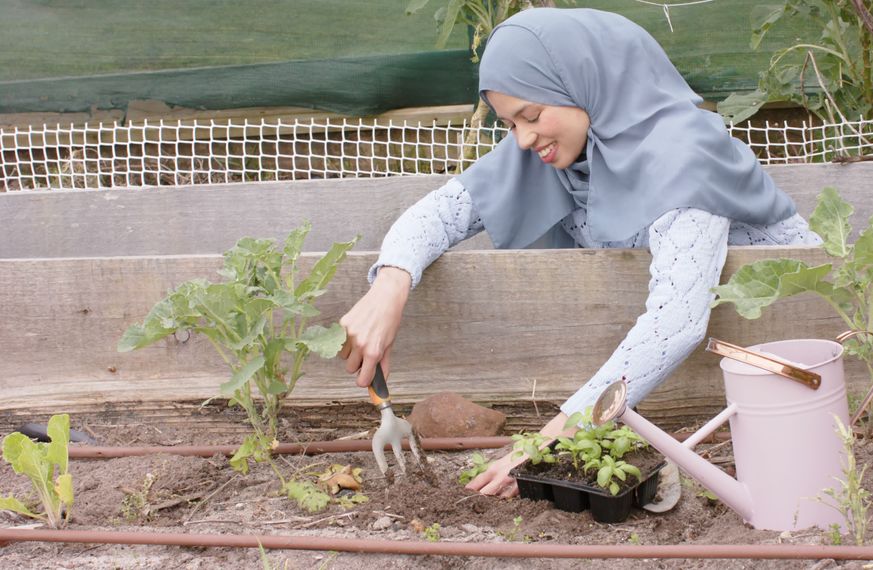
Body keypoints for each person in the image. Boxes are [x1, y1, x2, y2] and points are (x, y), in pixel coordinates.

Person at [337, 8, 820, 497]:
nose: (524, 138)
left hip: (793, 366)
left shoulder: (687, 155)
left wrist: (548, 442)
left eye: (532, 115)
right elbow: (440, 213)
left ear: (584, 83)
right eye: (509, 123)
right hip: (657, 385)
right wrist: (390, 286)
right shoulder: (561, 150)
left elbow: (677, 323)